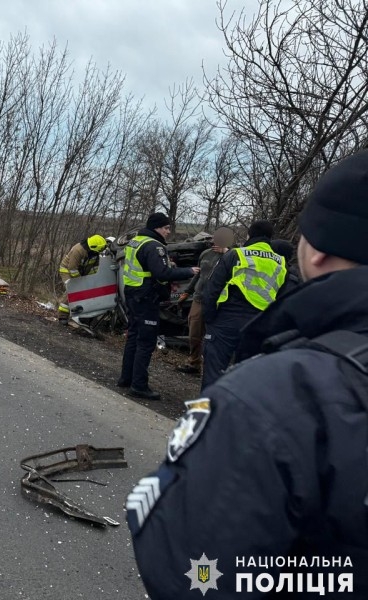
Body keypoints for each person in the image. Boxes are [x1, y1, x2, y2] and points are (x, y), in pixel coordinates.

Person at [126, 150, 368, 599]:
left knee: (215, 380)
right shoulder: (276, 265)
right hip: (258, 328)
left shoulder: (273, 401)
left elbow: (189, 569)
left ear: (315, 250)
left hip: (230, 327)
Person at [118, 213, 199, 400]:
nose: (168, 232)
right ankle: (139, 386)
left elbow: (142, 266)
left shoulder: (135, 241)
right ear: (157, 227)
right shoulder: (154, 246)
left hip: (133, 293)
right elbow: (161, 273)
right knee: (145, 342)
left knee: (133, 337)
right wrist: (188, 271)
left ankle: (126, 378)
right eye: (166, 228)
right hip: (146, 297)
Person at [200, 220, 286, 389]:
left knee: (214, 371)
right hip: (259, 324)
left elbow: (212, 288)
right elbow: (282, 297)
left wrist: (209, 318)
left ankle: (206, 414)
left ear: (249, 235)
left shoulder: (236, 254)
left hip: (227, 319)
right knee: (243, 378)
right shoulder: (281, 262)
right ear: (270, 237)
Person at [176, 227, 235, 375]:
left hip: (220, 301)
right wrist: (187, 291)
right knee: (194, 332)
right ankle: (194, 363)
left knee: (215, 336)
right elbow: (199, 274)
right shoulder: (205, 254)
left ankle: (215, 368)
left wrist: (226, 252)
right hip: (199, 298)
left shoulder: (234, 255)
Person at [57, 235, 108, 325]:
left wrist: (92, 279)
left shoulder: (94, 253)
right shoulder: (78, 250)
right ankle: (62, 316)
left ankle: (78, 315)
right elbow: (72, 268)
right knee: (71, 290)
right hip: (67, 271)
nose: (99, 252)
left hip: (81, 273)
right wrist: (79, 282)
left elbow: (94, 268)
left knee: (83, 292)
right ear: (93, 247)